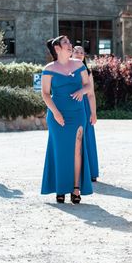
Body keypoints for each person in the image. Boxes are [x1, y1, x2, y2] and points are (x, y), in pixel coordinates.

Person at [40, 36, 93, 203]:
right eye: (66, 43)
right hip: (57, 113)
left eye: (70, 43)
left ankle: (76, 188)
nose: (70, 45)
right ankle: (60, 187)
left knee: (77, 147)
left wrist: (82, 91)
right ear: (57, 48)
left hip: (77, 113)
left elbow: (89, 86)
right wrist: (55, 113)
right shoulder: (48, 69)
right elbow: (45, 94)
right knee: (60, 150)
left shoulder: (79, 65)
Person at [72, 46, 99, 182]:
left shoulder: (87, 72)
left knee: (87, 137)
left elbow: (91, 94)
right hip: (70, 106)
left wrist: (93, 113)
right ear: (71, 53)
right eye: (76, 51)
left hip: (84, 107)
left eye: (82, 53)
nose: (79, 54)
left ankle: (90, 172)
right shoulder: (65, 69)